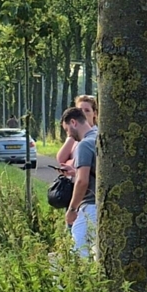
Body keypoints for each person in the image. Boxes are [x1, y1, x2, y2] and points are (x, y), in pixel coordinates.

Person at [60, 106, 98, 258]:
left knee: (79, 251)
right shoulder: (98, 138)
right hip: (102, 203)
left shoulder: (84, 144)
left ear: (73, 122)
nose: (69, 135)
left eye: (67, 130)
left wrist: (72, 209)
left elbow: (82, 181)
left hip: (89, 206)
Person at [56, 94, 97, 175]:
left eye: (87, 110)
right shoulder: (75, 134)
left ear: (94, 113)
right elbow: (61, 159)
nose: (83, 113)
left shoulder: (95, 136)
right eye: (80, 110)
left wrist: (72, 163)